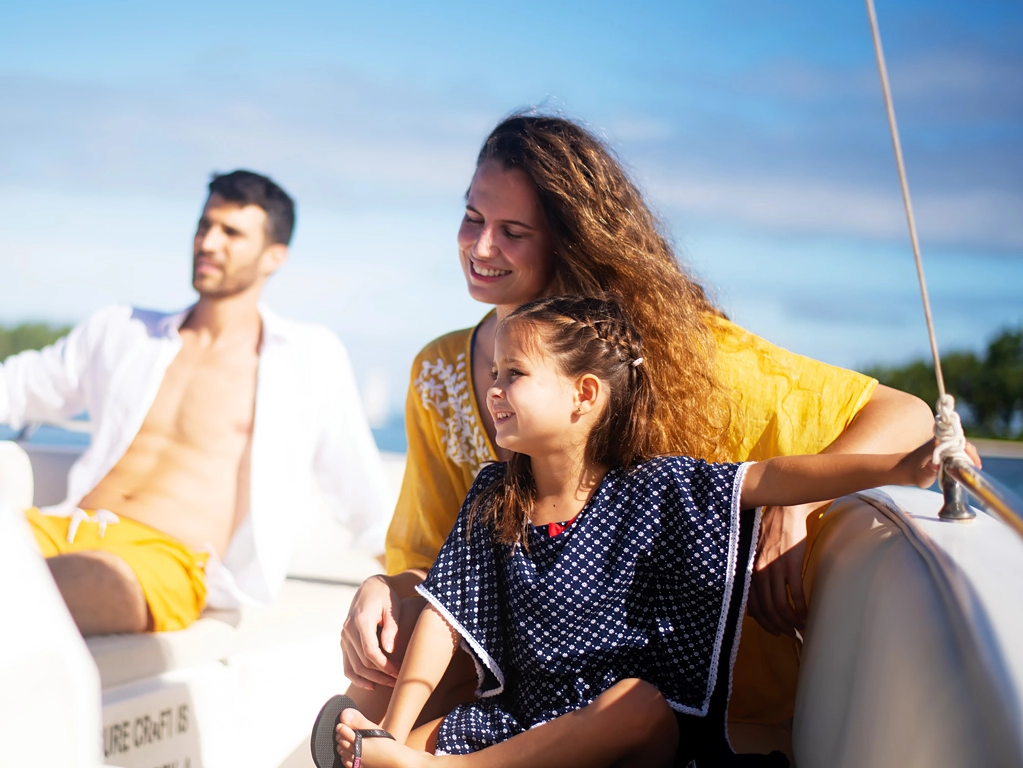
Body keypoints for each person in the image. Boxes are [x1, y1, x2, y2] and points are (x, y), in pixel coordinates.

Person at [337, 114, 935, 734]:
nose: (482, 247)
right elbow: (436, 560)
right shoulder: (438, 370)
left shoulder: (669, 356)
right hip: (512, 672)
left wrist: (801, 501)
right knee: (374, 681)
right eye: (472, 218)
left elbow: (908, 418)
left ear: (570, 241)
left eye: (513, 231)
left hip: (649, 691)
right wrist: (385, 587)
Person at [328, 294, 970, 767]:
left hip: (619, 732)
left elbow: (772, 476)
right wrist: (394, 732)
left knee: (638, 704)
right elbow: (447, 615)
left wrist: (902, 466)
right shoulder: (495, 495)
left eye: (513, 374)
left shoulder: (655, 487)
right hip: (518, 720)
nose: (493, 389)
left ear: (584, 396)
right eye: (493, 374)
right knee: (387, 747)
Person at [0, 170, 396, 635]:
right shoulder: (125, 330)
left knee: (36, 586)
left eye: (231, 232)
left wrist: (415, 592)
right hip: (63, 528)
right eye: (204, 226)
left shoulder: (306, 358)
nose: (208, 242)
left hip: (162, 561)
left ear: (275, 256)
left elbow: (362, 498)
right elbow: (9, 386)